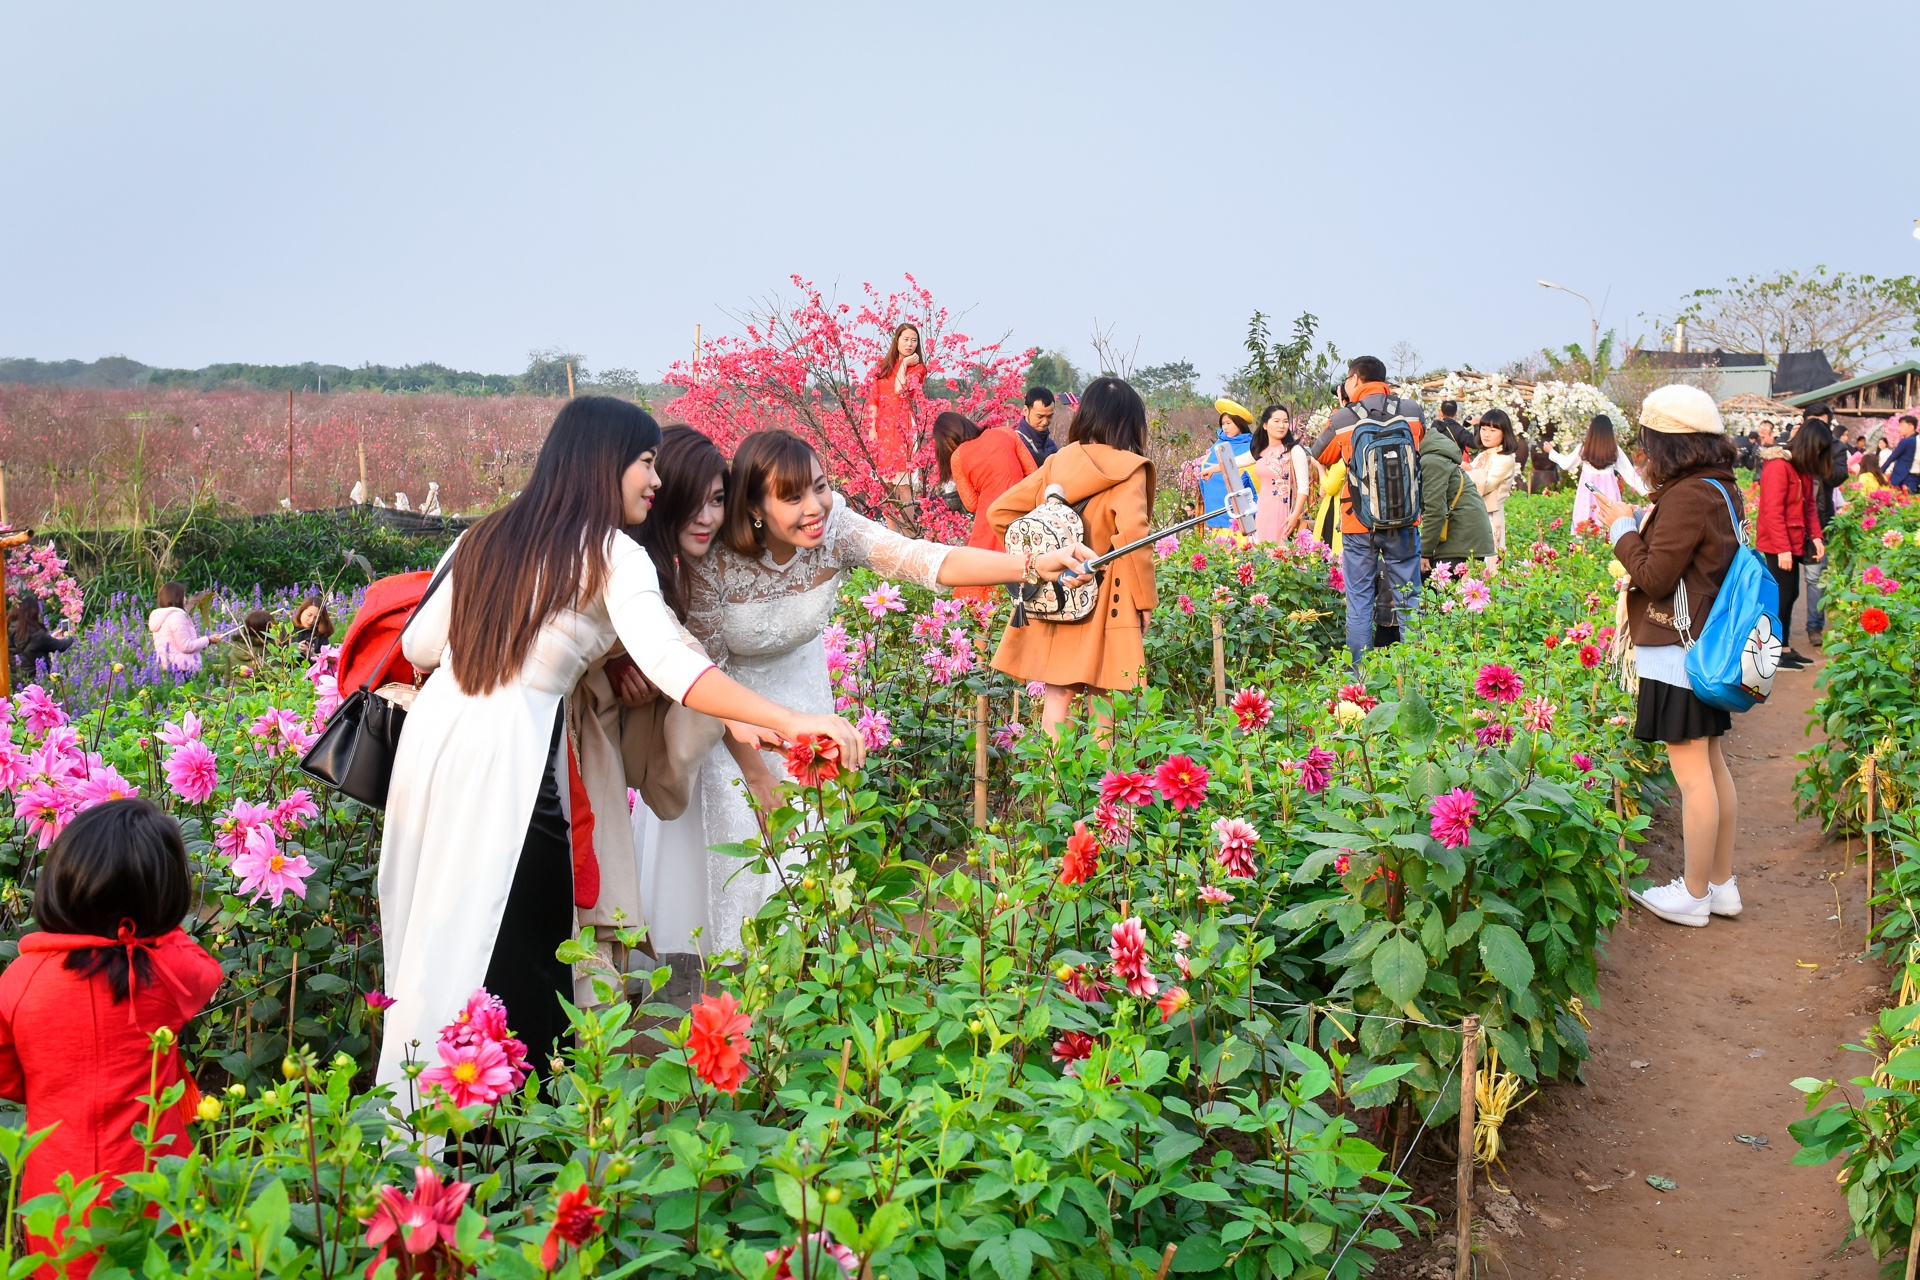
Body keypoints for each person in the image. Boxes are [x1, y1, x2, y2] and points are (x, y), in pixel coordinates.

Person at [377, 397, 871, 1091]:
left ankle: (419, 1102)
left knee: (438, 920)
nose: (656, 481)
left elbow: (421, 643)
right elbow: (677, 664)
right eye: (645, 463)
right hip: (518, 751)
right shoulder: (610, 553)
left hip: (438, 741)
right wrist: (791, 722)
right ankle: (516, 1116)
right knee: (517, 931)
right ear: (602, 463)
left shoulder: (482, 536)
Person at [681, 429, 1091, 954]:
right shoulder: (713, 562)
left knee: (813, 875)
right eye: (792, 497)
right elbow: (708, 678)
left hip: (810, 709)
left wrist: (1030, 564)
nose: (815, 508)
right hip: (733, 728)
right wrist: (757, 775)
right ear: (754, 508)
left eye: (820, 486)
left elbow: (925, 561)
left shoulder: (836, 530)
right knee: (745, 876)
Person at [0, 799, 222, 1261]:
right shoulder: (166, 975)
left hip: (59, 1201)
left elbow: (8, 1076)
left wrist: (53, 1084)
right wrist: (154, 932)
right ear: (165, 900)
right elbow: (207, 973)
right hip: (160, 1189)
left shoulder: (19, 982)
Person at [1593, 385, 1744, 928]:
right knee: (1711, 764)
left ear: (1669, 444)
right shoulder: (1721, 488)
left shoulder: (1686, 496)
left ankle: (1695, 894)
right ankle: (1721, 885)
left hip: (1680, 649)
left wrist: (1621, 529)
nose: (1644, 453)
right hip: (1708, 644)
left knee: (1692, 775)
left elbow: (1655, 577)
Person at [988, 376, 1156, 735]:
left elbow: (1000, 513)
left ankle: (1053, 784)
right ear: (1129, 421)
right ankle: (1098, 787)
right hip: (1110, 595)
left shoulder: (1058, 462)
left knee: (1058, 693)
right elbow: (1135, 538)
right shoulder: (1130, 469)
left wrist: (1042, 558)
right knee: (1105, 695)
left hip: (1060, 593)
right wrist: (1145, 603)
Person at [1313, 356, 1427, 666]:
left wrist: (1341, 409)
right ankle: (1418, 671)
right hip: (1404, 520)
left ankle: (1359, 678)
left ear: (1354, 380)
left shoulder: (1343, 419)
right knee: (1409, 598)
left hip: (1358, 523)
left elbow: (1320, 454)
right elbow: (1419, 444)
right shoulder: (1412, 411)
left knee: (1360, 600)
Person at [935, 411, 1038, 596]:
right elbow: (1033, 473)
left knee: (981, 580)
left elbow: (971, 504)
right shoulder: (1006, 432)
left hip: (990, 519)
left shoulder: (958, 457)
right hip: (1024, 511)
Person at [1756, 420, 1826, 669]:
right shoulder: (1779, 467)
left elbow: (1808, 506)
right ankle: (1774, 653)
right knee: (1782, 596)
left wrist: (1816, 537)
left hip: (1793, 541)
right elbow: (1772, 511)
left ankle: (1784, 648)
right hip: (1778, 543)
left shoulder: (1800, 469)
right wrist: (1782, 548)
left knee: (1791, 594)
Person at [1418, 412, 1496, 571]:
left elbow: (1435, 510)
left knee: (1445, 593)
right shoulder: (1433, 454)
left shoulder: (1433, 460)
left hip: (1461, 538)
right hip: (1464, 534)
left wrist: (1424, 553)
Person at [865, 323, 929, 516]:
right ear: (897, 341)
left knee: (903, 484)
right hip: (882, 426)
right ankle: (891, 533)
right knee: (887, 485)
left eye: (914, 340)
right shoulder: (882, 368)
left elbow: (899, 389)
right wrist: (871, 429)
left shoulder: (917, 369)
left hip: (904, 428)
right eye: (906, 339)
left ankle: (908, 533)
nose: (910, 344)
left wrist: (906, 362)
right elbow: (873, 400)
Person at [1549, 414, 1646, 529]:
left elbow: (1566, 464)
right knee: (1610, 522)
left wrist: (1551, 452)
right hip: (1608, 493)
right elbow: (1629, 473)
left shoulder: (1585, 448)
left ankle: (1581, 544)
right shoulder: (1614, 449)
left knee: (1584, 521)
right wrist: (1645, 490)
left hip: (1587, 492)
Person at [1798, 415, 1846, 646]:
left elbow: (1838, 476)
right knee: (1786, 586)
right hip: (1793, 523)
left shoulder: (1836, 447)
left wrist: (1820, 458)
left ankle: (1814, 626)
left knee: (1816, 576)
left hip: (1820, 517)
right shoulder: (1794, 450)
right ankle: (1781, 639)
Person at [1250, 405, 1310, 543]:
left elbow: (1303, 487)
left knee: (1281, 555)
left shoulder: (1294, 451)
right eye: (1276, 421)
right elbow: (1236, 462)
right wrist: (1211, 469)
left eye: (1285, 421)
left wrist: (1295, 515)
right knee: (1262, 556)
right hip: (1262, 512)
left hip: (1283, 513)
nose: (1281, 425)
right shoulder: (1260, 451)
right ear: (1265, 425)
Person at [1195, 399, 1257, 528]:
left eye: (1229, 423)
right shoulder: (1218, 445)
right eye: (1223, 423)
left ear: (1240, 423)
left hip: (1241, 520)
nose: (1225, 427)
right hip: (1215, 516)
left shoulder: (1251, 447)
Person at [1467, 410, 1521, 553]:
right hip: (1472, 515)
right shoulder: (1482, 455)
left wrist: (1464, 470)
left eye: (1492, 430)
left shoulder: (1505, 459)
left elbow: (1483, 486)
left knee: (1488, 566)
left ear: (1504, 433)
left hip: (1490, 517)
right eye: (1483, 429)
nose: (1486, 434)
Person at [148, 582, 220, 674]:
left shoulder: (162, 616)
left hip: (168, 668)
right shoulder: (177, 616)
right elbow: (186, 646)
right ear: (176, 597)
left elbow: (176, 646)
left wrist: (207, 642)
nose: (185, 599)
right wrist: (208, 640)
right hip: (183, 669)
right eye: (184, 596)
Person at [7, 595, 73, 672]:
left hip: (17, 680)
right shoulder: (36, 633)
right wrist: (68, 636)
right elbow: (61, 646)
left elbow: (30, 646)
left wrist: (50, 637)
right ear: (34, 611)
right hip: (36, 680)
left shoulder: (8, 628)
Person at [1017, 387, 1059, 465]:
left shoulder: (1051, 445)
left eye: (1049, 416)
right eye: (1040, 416)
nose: (1045, 422)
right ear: (1026, 411)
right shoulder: (1017, 443)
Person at [291, 597, 334, 662]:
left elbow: (328, 664)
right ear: (301, 611)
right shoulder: (288, 630)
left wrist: (312, 655)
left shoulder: (320, 635)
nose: (311, 621)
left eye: (316, 618)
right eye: (309, 615)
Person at [1887, 414, 1920, 492]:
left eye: (1902, 426)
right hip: (1913, 477)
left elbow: (1892, 458)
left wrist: (1879, 472)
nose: (1899, 429)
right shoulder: (1915, 439)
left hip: (1906, 477)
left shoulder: (1907, 441)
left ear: (1911, 427)